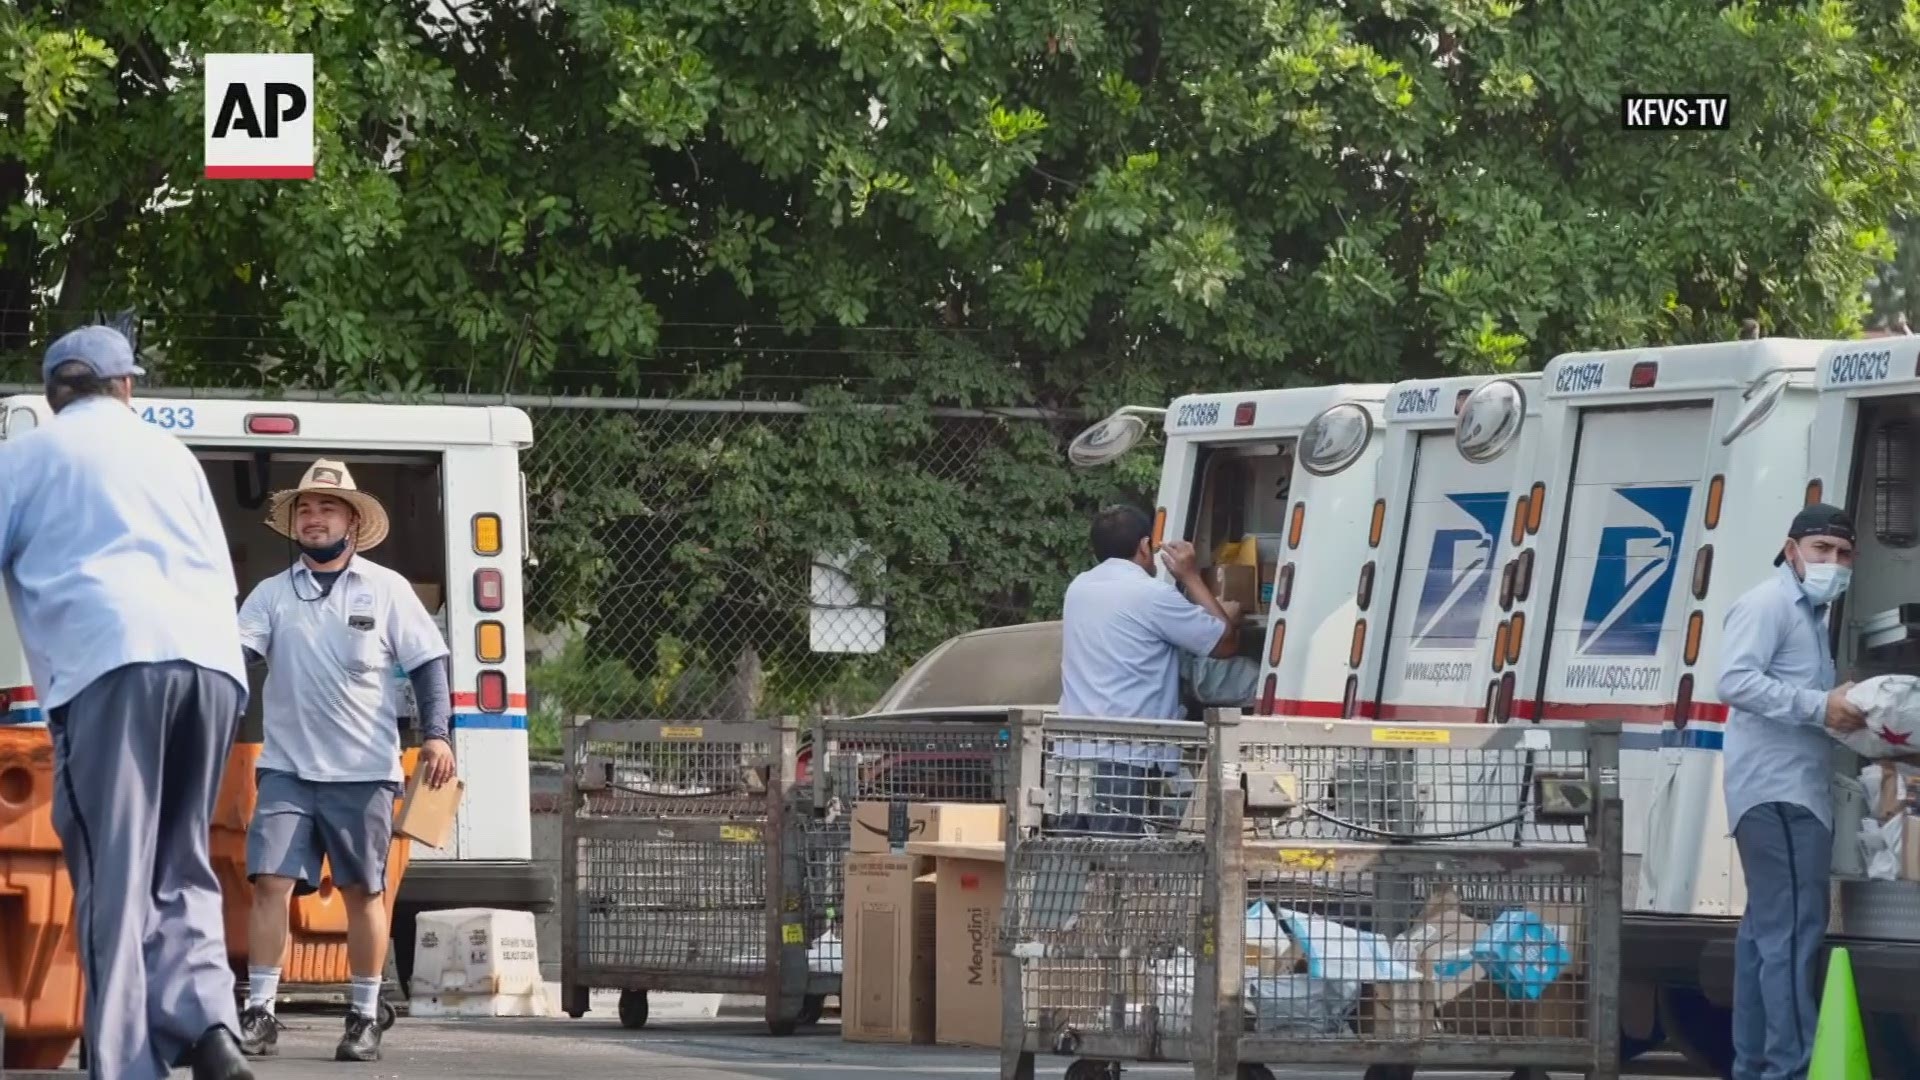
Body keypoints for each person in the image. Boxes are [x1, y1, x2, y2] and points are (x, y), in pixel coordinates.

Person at [0, 325, 254, 1080]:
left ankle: (125, 1068)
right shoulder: (175, 458)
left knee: (116, 873)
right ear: (127, 386)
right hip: (213, 661)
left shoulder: (30, 454)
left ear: (55, 394)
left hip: (112, 662)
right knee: (182, 861)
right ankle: (210, 1025)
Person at [234, 460, 455, 1062]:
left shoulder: (386, 589)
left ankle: (363, 1016)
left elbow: (430, 665)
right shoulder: (271, 595)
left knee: (364, 893)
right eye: (304, 509)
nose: (313, 518)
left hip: (365, 774)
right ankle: (258, 1012)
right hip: (286, 771)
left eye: (327, 508)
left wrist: (436, 736)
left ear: (353, 521)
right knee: (269, 884)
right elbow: (236, 662)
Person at [1718, 503, 1863, 1080]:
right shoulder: (1770, 604)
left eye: (1844, 553)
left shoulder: (1811, 616)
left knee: (1763, 936)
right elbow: (1734, 679)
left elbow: (1799, 699)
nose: (1833, 562)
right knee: (1793, 935)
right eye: (1822, 550)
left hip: (1778, 791)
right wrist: (1819, 705)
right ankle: (1792, 1069)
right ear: (1792, 548)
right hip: (1782, 796)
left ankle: (1754, 1066)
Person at [1056, 504, 1253, 834]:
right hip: (1121, 758)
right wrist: (1190, 577)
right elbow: (1225, 643)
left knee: (1064, 859)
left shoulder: (1078, 588)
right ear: (1145, 546)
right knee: (1117, 861)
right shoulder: (1151, 594)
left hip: (1069, 754)